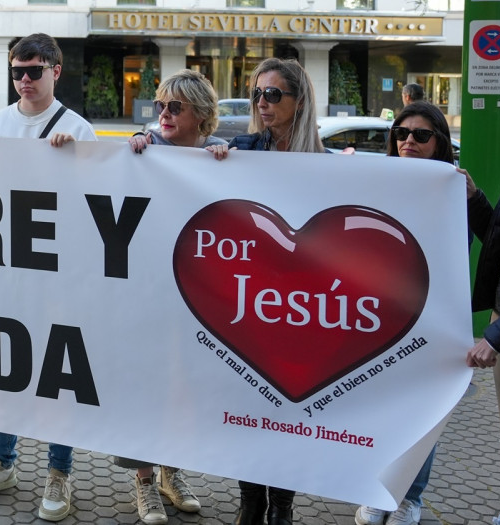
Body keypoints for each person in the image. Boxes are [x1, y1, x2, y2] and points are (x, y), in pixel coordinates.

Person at [0, 33, 96, 523]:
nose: (24, 80)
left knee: (59, 374)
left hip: (56, 275)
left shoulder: (79, 128)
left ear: (56, 70)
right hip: (4, 272)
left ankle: (60, 470)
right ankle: (3, 460)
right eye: (17, 71)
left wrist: (74, 163)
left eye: (34, 70)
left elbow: (95, 209)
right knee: (5, 369)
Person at [213, 57, 327, 525]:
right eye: (257, 93)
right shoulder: (241, 148)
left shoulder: (323, 164)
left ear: (299, 102)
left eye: (273, 95)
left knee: (287, 409)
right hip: (244, 302)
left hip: (296, 307)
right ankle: (250, 502)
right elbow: (176, 157)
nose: (262, 103)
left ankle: (282, 504)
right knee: (245, 406)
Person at [352, 101, 462, 525]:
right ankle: (375, 492)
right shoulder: (379, 180)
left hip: (431, 320)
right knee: (379, 407)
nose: (409, 142)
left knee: (422, 413)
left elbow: (489, 239)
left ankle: (408, 498)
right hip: (376, 314)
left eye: (421, 135)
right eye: (401, 134)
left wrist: (471, 197)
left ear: (439, 141)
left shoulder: (453, 186)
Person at [122, 69, 219, 525]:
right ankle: (143, 480)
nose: (163, 113)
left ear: (201, 114)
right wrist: (139, 144)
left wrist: (224, 159)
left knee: (182, 389)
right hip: (146, 293)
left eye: (175, 107)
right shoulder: (147, 150)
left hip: (195, 299)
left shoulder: (217, 158)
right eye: (160, 105)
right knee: (143, 386)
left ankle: (170, 472)